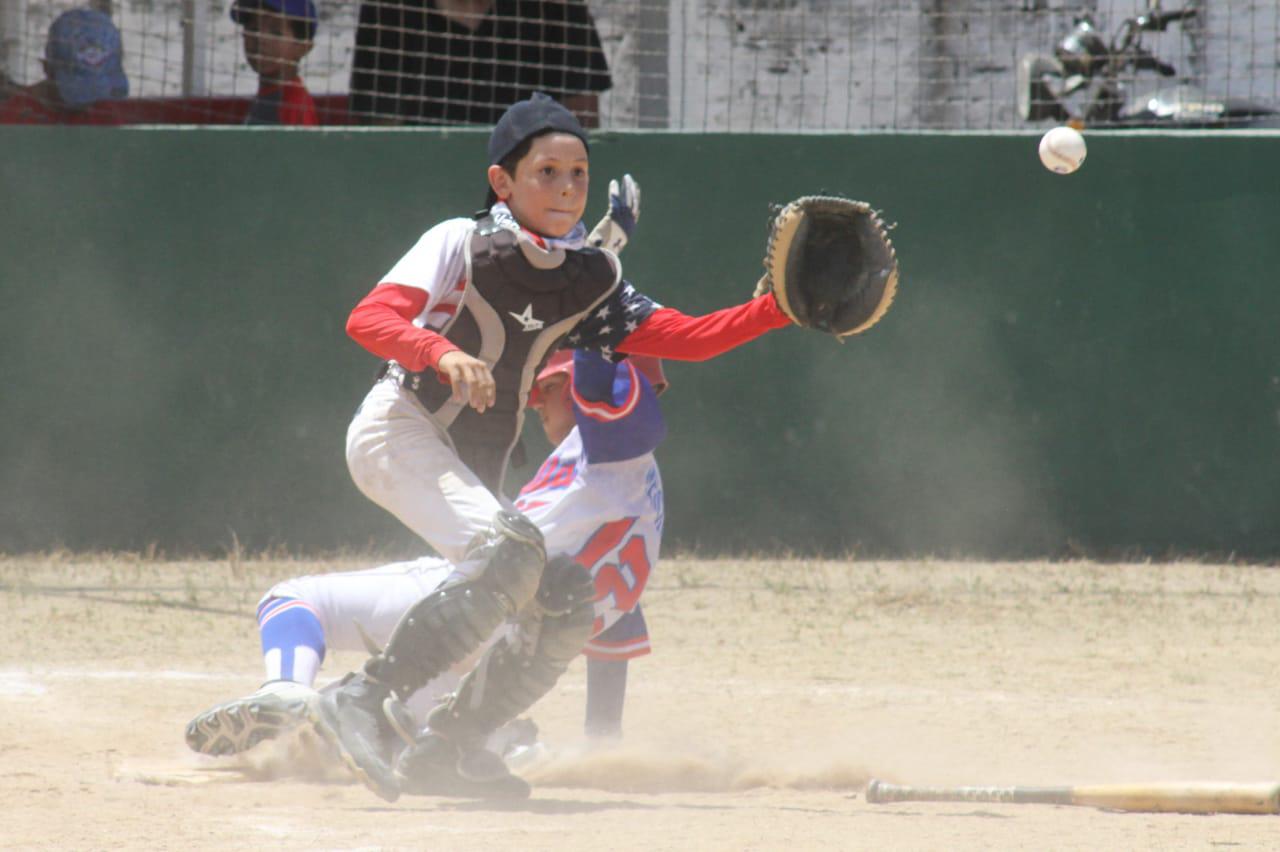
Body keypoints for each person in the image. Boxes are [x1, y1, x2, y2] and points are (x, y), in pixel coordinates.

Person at [320, 92, 793, 800]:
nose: (567, 187)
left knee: (566, 598)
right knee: (514, 557)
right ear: (502, 183)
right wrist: (437, 352)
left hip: (464, 470)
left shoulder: (590, 278)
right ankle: (361, 696)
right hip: (398, 430)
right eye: (546, 171)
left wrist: (778, 310)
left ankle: (452, 746)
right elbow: (370, 317)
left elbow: (690, 338)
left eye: (578, 172)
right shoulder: (460, 240)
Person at [186, 349, 667, 788]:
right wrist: (603, 748)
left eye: (552, 387)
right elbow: (615, 637)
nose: (538, 402)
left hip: (467, 606)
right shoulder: (634, 501)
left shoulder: (606, 445)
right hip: (513, 658)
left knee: (291, 600)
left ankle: (288, 689)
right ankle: (488, 743)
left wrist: (602, 310)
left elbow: (610, 378)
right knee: (418, 726)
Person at [348, 0, 611, 127]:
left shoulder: (558, 8)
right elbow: (381, 135)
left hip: (532, 195)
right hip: (422, 183)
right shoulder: (389, 10)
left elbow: (582, 125)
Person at [0, 8, 128, 125]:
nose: (88, 103)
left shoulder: (106, 113)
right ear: (47, 69)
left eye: (98, 92)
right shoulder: (14, 118)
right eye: (79, 89)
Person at [230, 0, 319, 126]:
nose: (260, 38)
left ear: (303, 47)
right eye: (253, 28)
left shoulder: (293, 103)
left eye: (276, 32)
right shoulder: (268, 95)